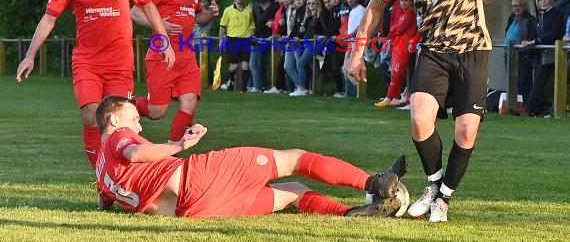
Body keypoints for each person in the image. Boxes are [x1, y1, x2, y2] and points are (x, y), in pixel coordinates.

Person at [346, 0, 526, 222]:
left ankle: (443, 198)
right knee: (419, 120)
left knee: (467, 130)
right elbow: (375, 7)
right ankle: (432, 185)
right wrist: (357, 53)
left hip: (473, 50)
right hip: (433, 53)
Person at [15, 0, 175, 172]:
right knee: (91, 115)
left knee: (118, 121)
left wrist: (163, 38)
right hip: (87, 62)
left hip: (120, 63)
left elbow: (148, 5)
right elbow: (48, 19)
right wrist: (30, 55)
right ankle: (102, 175)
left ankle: (120, 171)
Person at [95, 96, 407, 217]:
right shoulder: (119, 137)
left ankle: (350, 213)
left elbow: (105, 199)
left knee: (293, 193)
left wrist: (107, 204)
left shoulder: (101, 171)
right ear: (113, 120)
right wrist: (179, 145)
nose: (138, 124)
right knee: (293, 159)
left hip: (192, 211)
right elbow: (136, 152)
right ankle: (375, 183)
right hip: (198, 178)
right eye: (133, 117)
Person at [130, 0, 219, 142]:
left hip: (186, 54)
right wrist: (159, 24)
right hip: (162, 53)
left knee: (190, 101)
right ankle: (120, 104)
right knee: (156, 111)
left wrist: (211, 14)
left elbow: (197, 17)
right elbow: (134, 13)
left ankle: (174, 149)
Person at [519, 0, 564, 117]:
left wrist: (535, 41)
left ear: (550, 0)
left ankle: (529, 110)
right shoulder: (540, 17)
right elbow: (535, 34)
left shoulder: (556, 14)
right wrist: (527, 41)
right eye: (540, 0)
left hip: (556, 55)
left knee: (549, 83)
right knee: (538, 83)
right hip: (544, 56)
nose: (543, 2)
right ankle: (530, 109)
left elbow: (553, 33)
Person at [374, 0, 418, 108]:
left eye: (406, 0)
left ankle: (389, 98)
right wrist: (394, 30)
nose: (403, 3)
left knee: (396, 73)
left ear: (410, 1)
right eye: (402, 1)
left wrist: (393, 31)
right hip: (397, 46)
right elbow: (395, 27)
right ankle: (396, 98)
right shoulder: (401, 13)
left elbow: (399, 28)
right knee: (397, 73)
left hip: (403, 47)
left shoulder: (410, 13)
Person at [219, 0, 255, 92]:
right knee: (233, 67)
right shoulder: (228, 10)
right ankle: (231, 80)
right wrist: (221, 40)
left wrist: (252, 32)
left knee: (245, 65)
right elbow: (222, 26)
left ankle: (243, 89)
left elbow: (252, 23)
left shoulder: (249, 10)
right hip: (232, 40)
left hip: (245, 40)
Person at [291, 0, 327, 96]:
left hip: (314, 44)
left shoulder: (320, 16)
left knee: (301, 64)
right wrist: (299, 37)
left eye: (313, 3)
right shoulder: (309, 17)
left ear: (317, 4)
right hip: (306, 43)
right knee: (308, 66)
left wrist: (321, 37)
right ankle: (312, 88)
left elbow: (325, 30)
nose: (311, 5)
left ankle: (302, 88)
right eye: (309, 3)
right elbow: (304, 31)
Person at [504, 0, 537, 104]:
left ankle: (527, 106)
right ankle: (514, 106)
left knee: (524, 82)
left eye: (519, 5)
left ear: (524, 6)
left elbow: (533, 36)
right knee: (512, 82)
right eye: (514, 6)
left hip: (523, 55)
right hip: (508, 54)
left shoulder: (530, 20)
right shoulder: (511, 18)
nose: (516, 8)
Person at [249, 0, 278, 92]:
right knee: (256, 63)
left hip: (272, 38)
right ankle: (259, 86)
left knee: (269, 63)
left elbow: (280, 19)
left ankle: (269, 86)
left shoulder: (275, 5)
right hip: (257, 38)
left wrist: (274, 22)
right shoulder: (255, 5)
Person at [342, 0, 366, 97]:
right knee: (346, 68)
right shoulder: (352, 11)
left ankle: (359, 91)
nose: (350, 0)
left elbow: (360, 27)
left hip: (357, 44)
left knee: (350, 68)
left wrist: (348, 36)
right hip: (351, 43)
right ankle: (353, 92)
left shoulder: (360, 9)